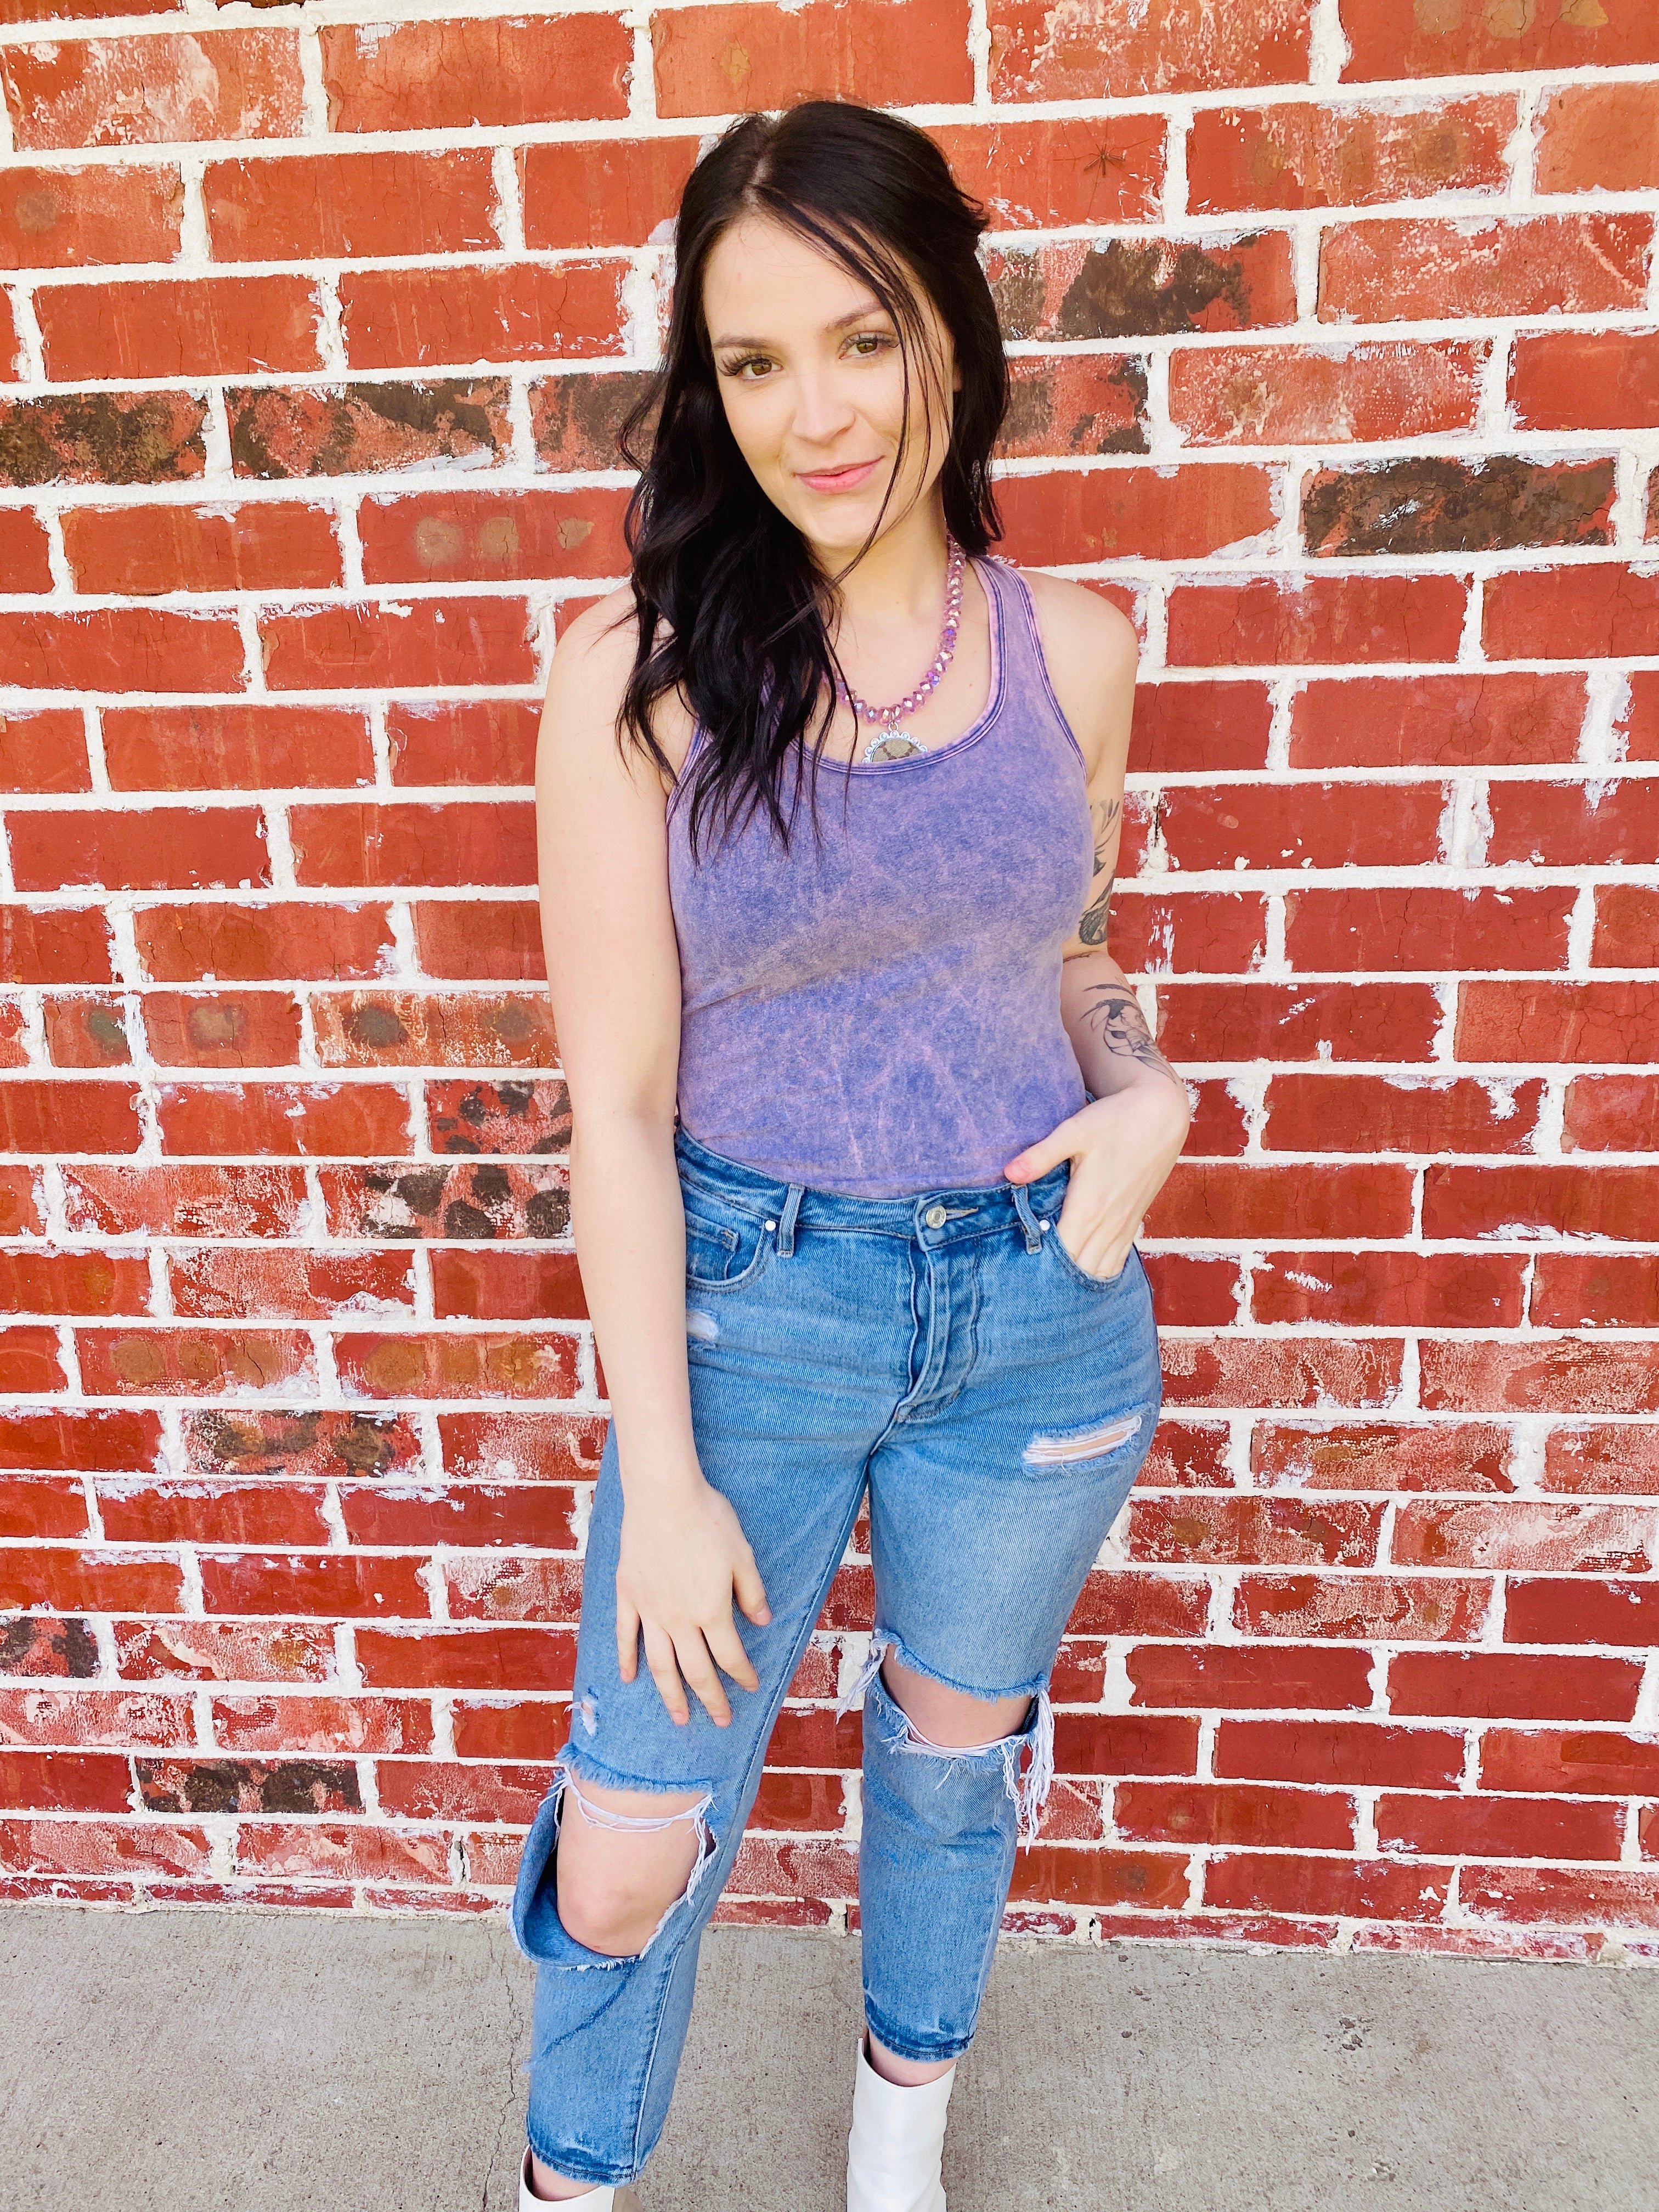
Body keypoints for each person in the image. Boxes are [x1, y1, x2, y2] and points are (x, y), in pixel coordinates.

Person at [512, 98, 1192, 2210]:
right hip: (754, 1321)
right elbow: (618, 1109)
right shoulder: (635, 682)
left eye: (864, 337)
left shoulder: (1077, 647)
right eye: (753, 359)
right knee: (633, 1844)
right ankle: (567, 2184)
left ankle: (897, 2166)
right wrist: (664, 1474)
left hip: (1037, 1312)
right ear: (709, 391)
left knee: (951, 1771)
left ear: (953, 338)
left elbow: (1068, 949)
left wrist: (1147, 1087)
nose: (814, 411)